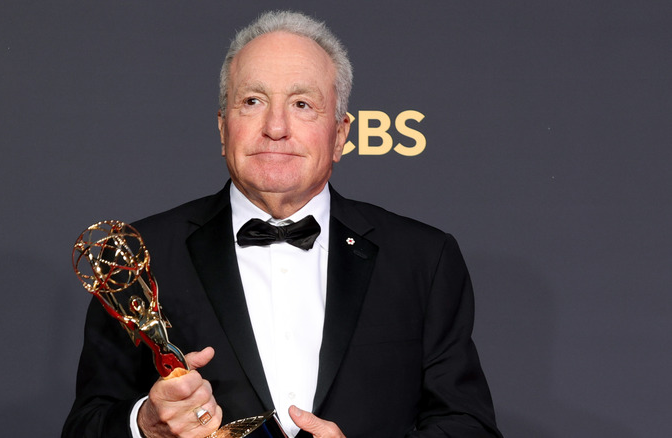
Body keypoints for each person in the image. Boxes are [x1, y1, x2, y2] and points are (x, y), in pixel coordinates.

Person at [63, 10, 502, 438]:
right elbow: (86, 425)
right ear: (222, 128)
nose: (276, 127)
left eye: (302, 104)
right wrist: (145, 425)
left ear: (340, 134)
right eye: (252, 101)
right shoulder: (141, 255)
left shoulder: (423, 259)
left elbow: (469, 425)